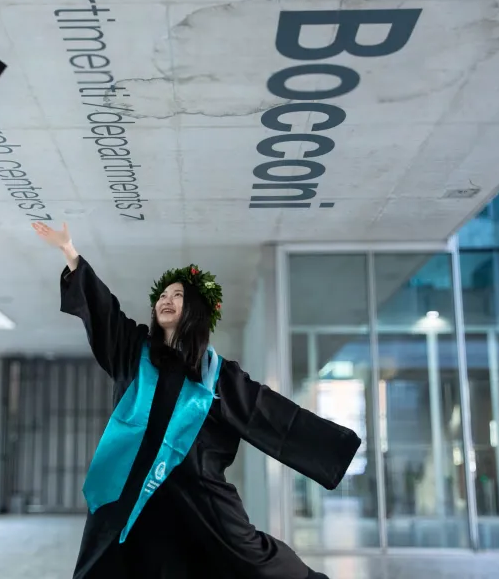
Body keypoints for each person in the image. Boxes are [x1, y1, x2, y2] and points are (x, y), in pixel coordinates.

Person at [32, 222, 362, 579]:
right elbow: (103, 312)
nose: (166, 300)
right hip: (130, 482)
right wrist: (69, 251)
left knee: (249, 555)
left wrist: (332, 448)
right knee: (111, 561)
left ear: (195, 311)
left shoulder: (217, 375)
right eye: (162, 296)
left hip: (197, 488)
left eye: (177, 295)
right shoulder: (134, 351)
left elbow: (270, 414)